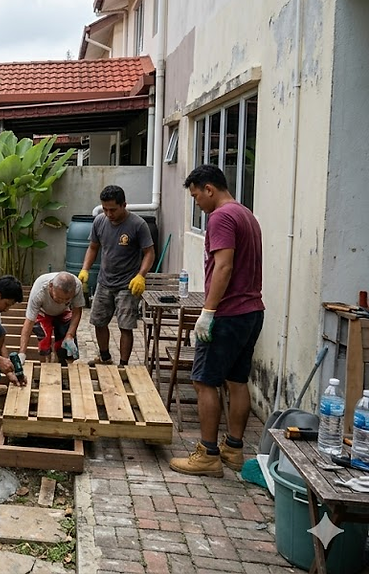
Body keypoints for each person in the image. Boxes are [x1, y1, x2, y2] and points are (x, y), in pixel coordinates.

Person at [169, 164, 264, 477]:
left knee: (204, 380)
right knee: (237, 381)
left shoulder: (221, 216)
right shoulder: (246, 214)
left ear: (209, 188)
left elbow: (223, 267)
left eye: (197, 196)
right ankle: (233, 449)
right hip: (251, 310)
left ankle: (207, 454)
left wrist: (208, 313)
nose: (197, 202)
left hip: (228, 313)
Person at [78, 185, 155, 365]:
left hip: (128, 285)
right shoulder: (99, 222)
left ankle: (123, 364)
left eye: (112, 209)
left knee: (125, 326)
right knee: (98, 321)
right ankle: (104, 357)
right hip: (105, 282)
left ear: (124, 205)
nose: (108, 213)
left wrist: (141, 275)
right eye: (104, 209)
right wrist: (85, 269)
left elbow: (149, 253)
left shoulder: (138, 225)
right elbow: (93, 247)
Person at [19, 271, 86, 364]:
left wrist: (70, 335)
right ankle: (44, 366)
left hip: (64, 312)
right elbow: (29, 322)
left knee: (65, 347)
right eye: (59, 298)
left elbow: (77, 311)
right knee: (44, 343)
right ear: (50, 287)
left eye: (67, 299)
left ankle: (64, 365)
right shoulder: (39, 291)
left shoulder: (77, 286)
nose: (62, 301)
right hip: (43, 312)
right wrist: (22, 353)